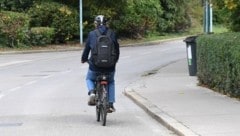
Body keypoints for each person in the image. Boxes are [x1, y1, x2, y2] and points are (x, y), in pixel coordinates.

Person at [81, 15, 120, 112]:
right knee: (110, 82)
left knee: (89, 78)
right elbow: (117, 50)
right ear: (106, 24)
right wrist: (115, 61)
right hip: (110, 67)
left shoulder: (92, 34)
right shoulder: (112, 34)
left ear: (96, 24)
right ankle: (110, 104)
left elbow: (87, 50)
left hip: (95, 67)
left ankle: (92, 92)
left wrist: (84, 59)